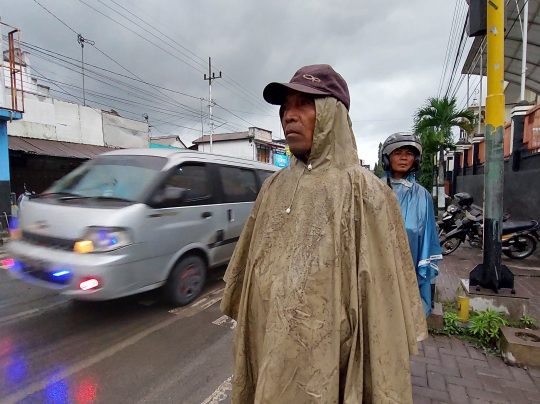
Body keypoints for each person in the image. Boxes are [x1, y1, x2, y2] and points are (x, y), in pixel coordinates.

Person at [221, 64, 427, 404]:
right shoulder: (273, 188)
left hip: (328, 359)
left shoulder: (365, 192)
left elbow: (379, 310)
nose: (289, 115)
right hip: (269, 343)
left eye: (304, 103)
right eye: (286, 106)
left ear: (332, 114)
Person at [380, 133, 443, 317]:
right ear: (387, 157)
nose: (404, 158)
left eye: (409, 153)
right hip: (379, 261)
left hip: (410, 261)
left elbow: (427, 234)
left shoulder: (422, 195)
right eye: (398, 152)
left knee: (405, 313)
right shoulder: (374, 188)